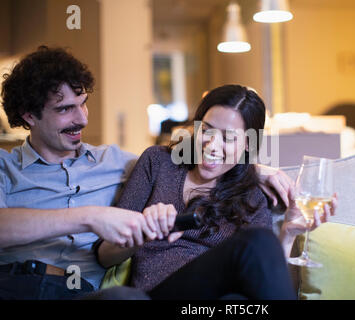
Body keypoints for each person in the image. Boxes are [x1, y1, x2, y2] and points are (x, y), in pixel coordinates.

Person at [0, 46, 297, 300]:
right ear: (29, 115)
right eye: (65, 109)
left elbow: (189, 148)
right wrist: (92, 217)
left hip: (83, 293)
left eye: (84, 104)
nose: (81, 118)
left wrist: (254, 169)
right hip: (14, 282)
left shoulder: (114, 161)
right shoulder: (4, 166)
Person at [95, 85, 336, 300]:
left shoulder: (251, 195)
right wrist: (145, 230)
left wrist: (288, 234)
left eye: (228, 138)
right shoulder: (158, 163)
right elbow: (105, 256)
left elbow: (264, 277)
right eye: (206, 130)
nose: (211, 146)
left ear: (248, 144)